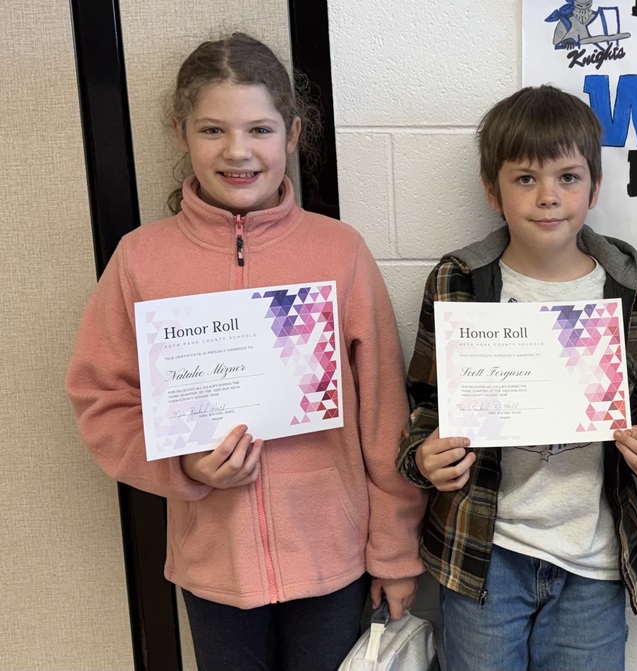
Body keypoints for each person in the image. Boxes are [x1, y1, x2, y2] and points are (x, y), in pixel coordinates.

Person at [66, 33, 426, 671]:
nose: (237, 151)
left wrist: (394, 553)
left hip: (331, 556)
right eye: (212, 130)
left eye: (260, 129)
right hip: (215, 565)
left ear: (293, 133)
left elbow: (383, 418)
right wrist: (184, 467)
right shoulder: (141, 259)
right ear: (180, 133)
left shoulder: (339, 252)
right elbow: (102, 400)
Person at [396, 84, 637, 671]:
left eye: (568, 177)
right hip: (483, 555)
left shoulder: (628, 289)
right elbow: (425, 405)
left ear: (595, 188)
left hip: (592, 561)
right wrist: (421, 459)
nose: (548, 196)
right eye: (525, 178)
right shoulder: (460, 281)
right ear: (493, 191)